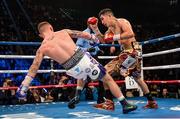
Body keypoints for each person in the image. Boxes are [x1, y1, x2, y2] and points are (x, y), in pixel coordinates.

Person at [16, 21, 137, 114]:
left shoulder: (41, 48)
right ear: (51, 27)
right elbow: (81, 34)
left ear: (40, 35)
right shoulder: (63, 32)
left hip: (72, 70)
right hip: (82, 59)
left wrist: (25, 85)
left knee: (82, 72)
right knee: (107, 78)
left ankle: (77, 94)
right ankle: (125, 104)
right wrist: (93, 38)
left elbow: (34, 67)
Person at [89, 8, 158, 110]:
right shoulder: (110, 30)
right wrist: (95, 29)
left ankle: (109, 103)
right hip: (129, 52)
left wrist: (113, 38)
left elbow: (130, 33)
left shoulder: (122, 21)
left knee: (103, 71)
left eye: (103, 19)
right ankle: (151, 101)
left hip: (133, 50)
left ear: (109, 16)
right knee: (137, 78)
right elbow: (103, 40)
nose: (102, 22)